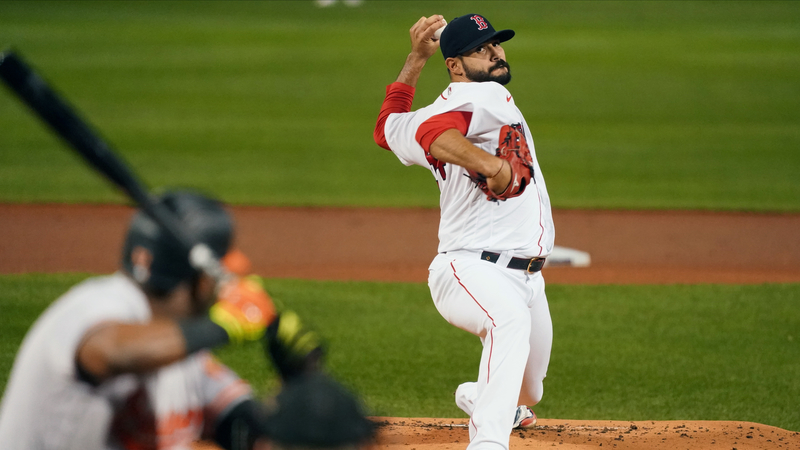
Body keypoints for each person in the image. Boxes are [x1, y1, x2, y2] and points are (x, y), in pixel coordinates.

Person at [0, 189, 374, 450]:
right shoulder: (99, 306)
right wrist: (222, 327)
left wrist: (299, 380)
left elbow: (249, 432)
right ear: (196, 279)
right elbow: (107, 351)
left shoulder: (184, 357)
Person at [373, 13, 555, 450]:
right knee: (506, 322)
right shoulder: (482, 97)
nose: (495, 53)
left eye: (496, 44)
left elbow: (387, 129)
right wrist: (489, 164)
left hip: (527, 278)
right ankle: (488, 443)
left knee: (530, 392)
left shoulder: (463, 101)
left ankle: (482, 398)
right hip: (470, 267)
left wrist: (416, 59)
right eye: (481, 48)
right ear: (456, 64)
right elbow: (435, 133)